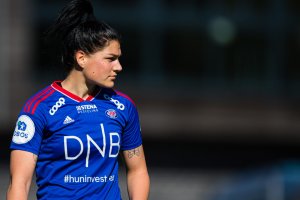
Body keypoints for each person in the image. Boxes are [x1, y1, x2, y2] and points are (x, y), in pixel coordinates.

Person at [6, 0, 150, 199]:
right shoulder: (38, 108)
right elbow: (19, 184)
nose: (118, 67)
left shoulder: (123, 106)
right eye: (110, 59)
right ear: (81, 58)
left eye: (118, 59)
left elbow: (138, 171)